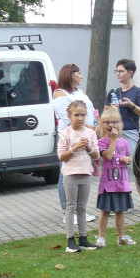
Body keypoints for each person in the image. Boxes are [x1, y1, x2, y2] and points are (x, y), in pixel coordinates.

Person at [105, 59, 140, 213]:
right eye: (116, 71)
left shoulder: (138, 92)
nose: (118, 74)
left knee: (134, 167)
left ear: (130, 73)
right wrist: (111, 109)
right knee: (115, 168)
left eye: (121, 71)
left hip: (130, 133)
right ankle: (117, 205)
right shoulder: (113, 92)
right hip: (114, 134)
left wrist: (131, 105)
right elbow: (105, 114)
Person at [53, 64, 97, 219]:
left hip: (87, 135)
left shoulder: (80, 93)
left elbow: (89, 111)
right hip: (71, 137)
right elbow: (67, 118)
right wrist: (89, 126)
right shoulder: (60, 94)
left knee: (82, 171)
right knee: (67, 173)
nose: (81, 76)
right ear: (69, 75)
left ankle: (80, 210)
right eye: (78, 73)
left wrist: (95, 126)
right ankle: (68, 210)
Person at [57, 100, 100, 253]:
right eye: (76, 115)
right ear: (69, 116)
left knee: (82, 208)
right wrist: (75, 147)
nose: (80, 118)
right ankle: (70, 241)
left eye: (82, 115)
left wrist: (88, 147)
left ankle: (83, 238)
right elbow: (62, 156)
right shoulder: (65, 133)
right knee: (71, 207)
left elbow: (96, 155)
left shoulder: (90, 133)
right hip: (70, 175)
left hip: (85, 173)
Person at [95, 105, 136, 248]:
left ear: (120, 123)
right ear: (102, 124)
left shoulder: (124, 142)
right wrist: (113, 139)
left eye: (114, 122)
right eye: (107, 122)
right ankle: (101, 237)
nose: (111, 125)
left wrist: (127, 160)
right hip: (108, 184)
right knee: (105, 211)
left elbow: (128, 157)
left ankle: (122, 236)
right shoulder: (101, 142)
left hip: (121, 183)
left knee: (120, 211)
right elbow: (107, 156)